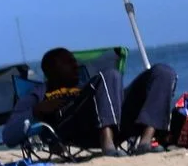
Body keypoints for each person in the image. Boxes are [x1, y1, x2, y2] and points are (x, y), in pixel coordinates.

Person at [34, 47, 179, 155]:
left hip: (116, 117)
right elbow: (11, 132)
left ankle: (146, 141)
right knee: (110, 75)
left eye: (74, 61)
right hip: (79, 126)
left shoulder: (84, 85)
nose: (76, 65)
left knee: (163, 72)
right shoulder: (39, 92)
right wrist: (36, 110)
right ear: (50, 70)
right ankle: (107, 143)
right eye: (68, 62)